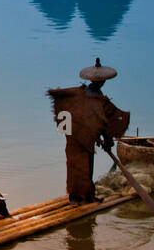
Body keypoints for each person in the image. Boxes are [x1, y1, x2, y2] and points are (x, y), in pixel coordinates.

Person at [47, 59, 131, 205]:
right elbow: (105, 123)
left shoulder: (77, 93)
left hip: (73, 137)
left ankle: (76, 197)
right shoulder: (99, 100)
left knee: (74, 166)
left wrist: (76, 131)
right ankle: (84, 197)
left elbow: (69, 118)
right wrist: (107, 141)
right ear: (103, 81)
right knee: (85, 166)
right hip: (84, 138)